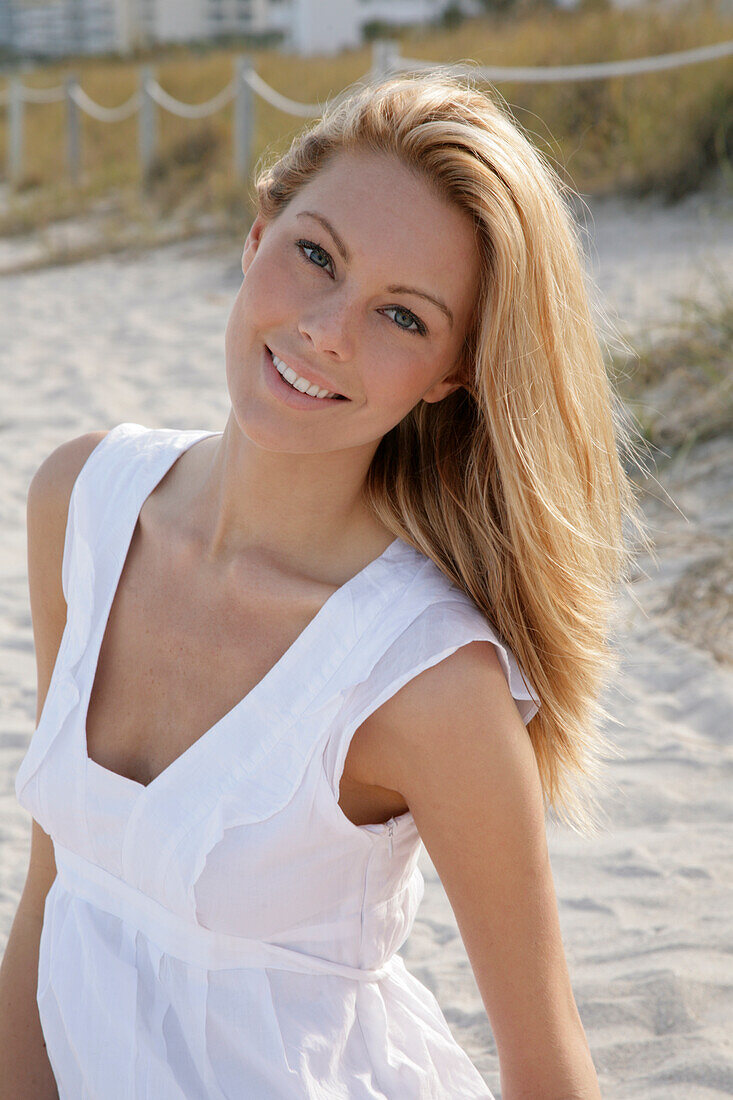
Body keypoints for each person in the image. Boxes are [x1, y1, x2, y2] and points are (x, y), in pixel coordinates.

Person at [0, 69, 642, 1099]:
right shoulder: (79, 504)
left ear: (449, 373)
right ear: (258, 235)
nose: (328, 329)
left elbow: (547, 1067)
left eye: (402, 316)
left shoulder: (425, 680)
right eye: (316, 256)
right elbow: (54, 884)